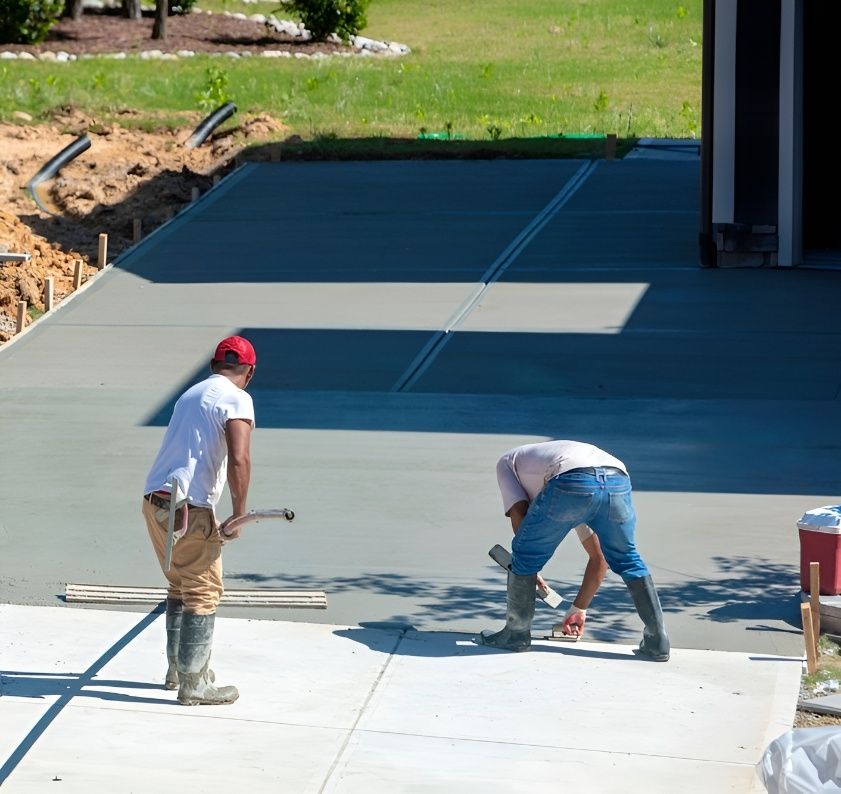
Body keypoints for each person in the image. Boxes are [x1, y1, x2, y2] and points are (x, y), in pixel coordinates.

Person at [142, 335, 257, 705]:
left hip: (155, 502)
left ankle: (178, 671)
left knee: (179, 584)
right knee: (204, 591)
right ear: (249, 372)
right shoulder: (237, 399)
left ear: (212, 366)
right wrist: (240, 514)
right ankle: (195, 684)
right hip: (190, 509)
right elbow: (239, 458)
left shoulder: (189, 394)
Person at [480, 439, 670, 661]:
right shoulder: (565, 487)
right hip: (616, 478)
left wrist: (527, 569)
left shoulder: (507, 463)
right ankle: (658, 641)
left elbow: (519, 518)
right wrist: (579, 608)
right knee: (628, 558)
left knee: (525, 554)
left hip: (570, 480)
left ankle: (516, 634)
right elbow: (600, 559)